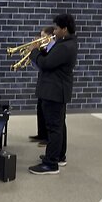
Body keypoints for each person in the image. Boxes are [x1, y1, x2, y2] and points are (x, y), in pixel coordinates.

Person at [27, 14, 78, 175]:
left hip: (54, 91)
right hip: (57, 90)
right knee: (59, 126)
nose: (54, 31)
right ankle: (58, 156)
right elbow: (50, 59)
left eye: (56, 28)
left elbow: (46, 64)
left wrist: (34, 52)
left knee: (54, 128)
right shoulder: (66, 43)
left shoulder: (65, 47)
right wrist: (42, 49)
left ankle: (51, 164)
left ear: (64, 29)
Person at [29, 26, 55, 144]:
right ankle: (41, 134)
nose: (41, 39)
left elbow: (46, 64)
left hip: (50, 84)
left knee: (48, 113)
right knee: (40, 109)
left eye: (43, 36)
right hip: (43, 82)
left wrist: (36, 52)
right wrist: (33, 55)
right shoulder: (45, 48)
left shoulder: (53, 48)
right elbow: (40, 66)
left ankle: (48, 138)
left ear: (50, 36)